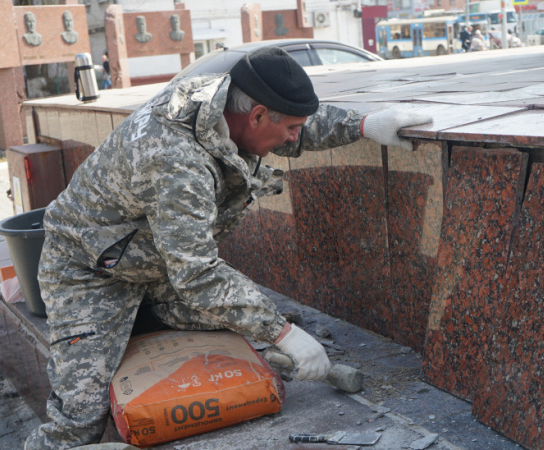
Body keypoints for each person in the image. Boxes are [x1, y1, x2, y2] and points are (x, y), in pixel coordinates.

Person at [24, 47, 431, 449]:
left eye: (295, 127)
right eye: (289, 129)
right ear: (255, 115)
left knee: (241, 326)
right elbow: (198, 274)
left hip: (160, 266)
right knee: (78, 422)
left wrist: (367, 125)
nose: (294, 137)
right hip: (93, 272)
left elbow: (295, 123)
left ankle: (164, 319)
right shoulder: (173, 159)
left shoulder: (227, 106)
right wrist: (283, 333)